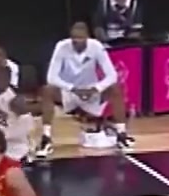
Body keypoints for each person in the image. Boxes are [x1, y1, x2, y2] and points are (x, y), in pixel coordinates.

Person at [44, 21, 131, 152]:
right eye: (74, 39)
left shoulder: (96, 46)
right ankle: (46, 138)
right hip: (70, 92)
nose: (77, 42)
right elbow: (51, 77)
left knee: (115, 88)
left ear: (87, 37)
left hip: (91, 92)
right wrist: (73, 89)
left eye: (80, 39)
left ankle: (121, 135)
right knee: (47, 90)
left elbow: (112, 75)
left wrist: (96, 88)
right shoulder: (61, 46)